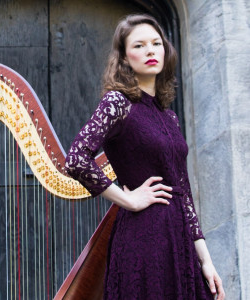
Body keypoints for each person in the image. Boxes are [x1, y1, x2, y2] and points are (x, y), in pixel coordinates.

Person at [65, 14, 225, 300]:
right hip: (144, 238)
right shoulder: (117, 104)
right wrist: (128, 200)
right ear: (125, 58)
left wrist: (206, 260)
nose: (150, 50)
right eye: (139, 45)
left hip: (181, 241)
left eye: (156, 43)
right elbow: (77, 158)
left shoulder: (170, 117)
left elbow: (184, 193)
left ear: (165, 50)